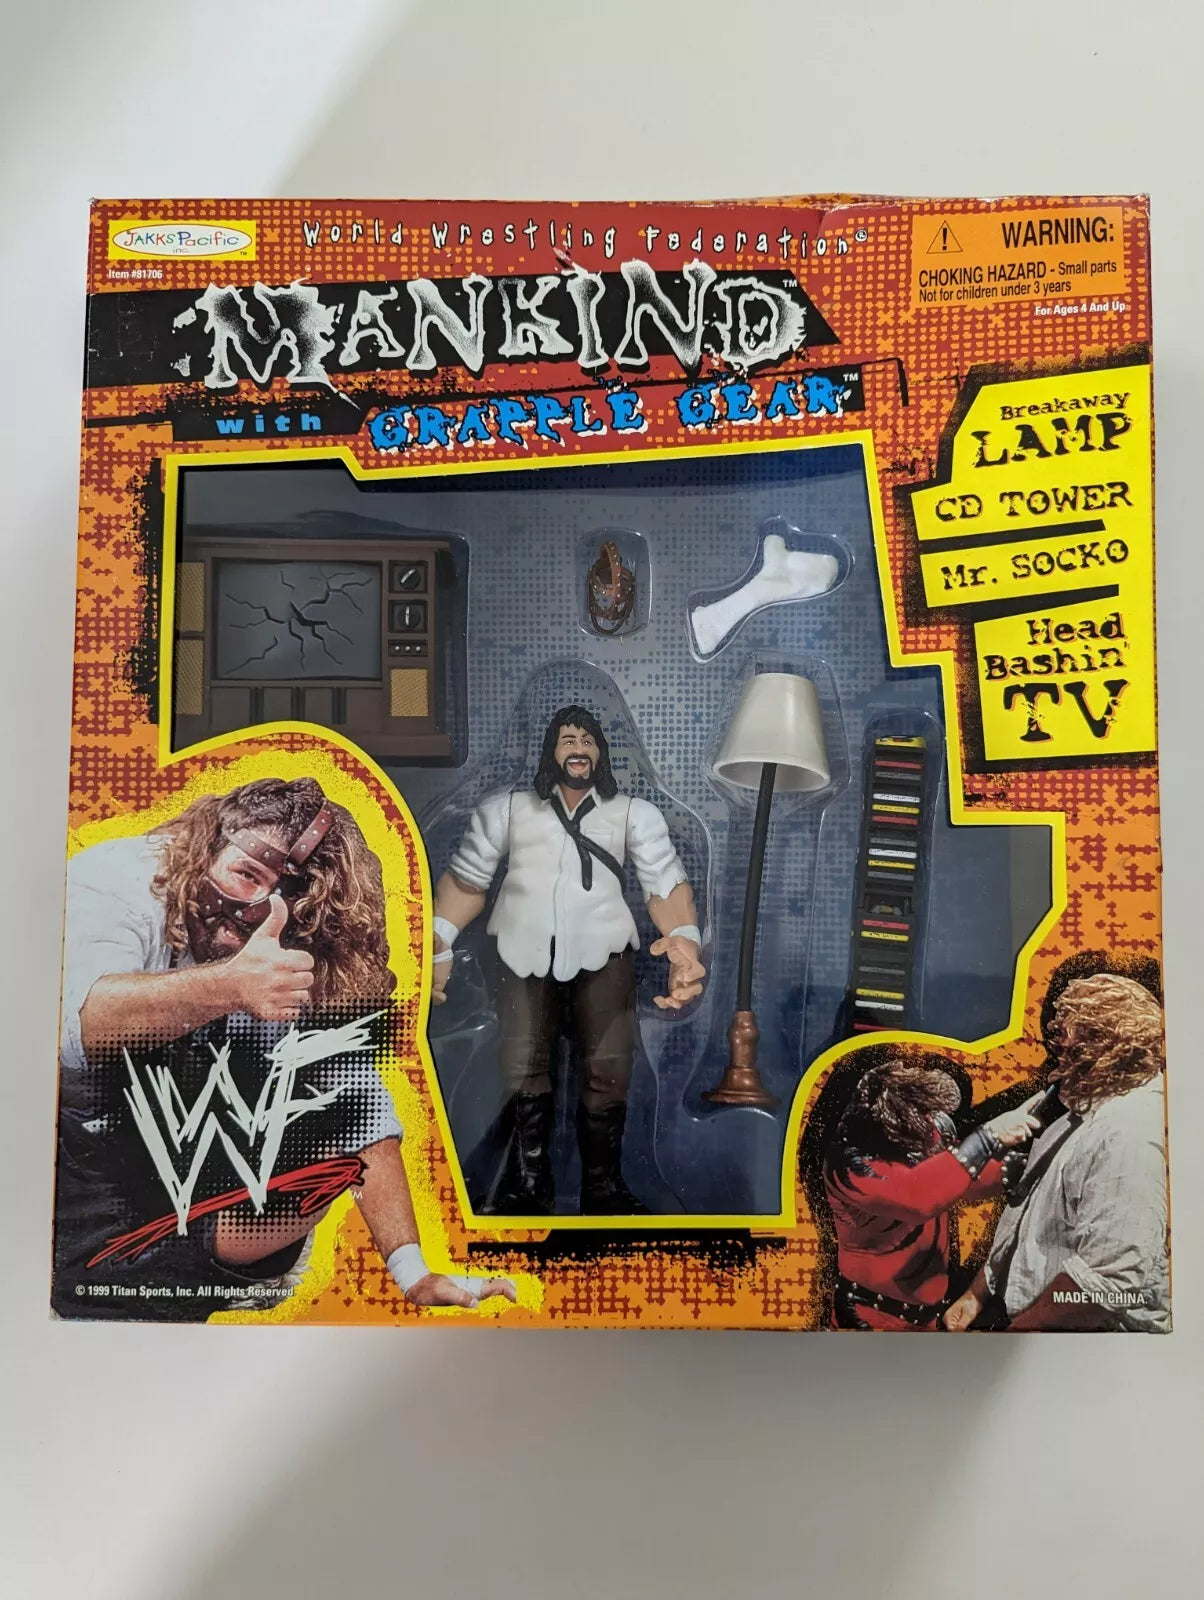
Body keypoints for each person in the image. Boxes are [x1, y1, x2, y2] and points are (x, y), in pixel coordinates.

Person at [55, 775, 513, 1316]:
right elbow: (70, 1031)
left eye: (283, 898)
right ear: (207, 847)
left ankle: (198, 1265)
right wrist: (229, 986)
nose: (254, 909)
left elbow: (354, 1099)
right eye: (246, 874)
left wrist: (412, 1271)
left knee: (316, 1128)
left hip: (175, 1192)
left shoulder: (289, 945)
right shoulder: (117, 883)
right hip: (62, 1155)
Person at [431, 704, 706, 1214]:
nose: (578, 750)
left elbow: (664, 883)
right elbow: (467, 880)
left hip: (605, 954)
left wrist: (684, 944)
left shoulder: (633, 814)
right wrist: (438, 941)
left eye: (587, 741)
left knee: (609, 1068)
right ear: (550, 752)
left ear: (600, 752)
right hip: (520, 953)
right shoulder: (506, 811)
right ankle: (528, 1184)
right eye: (567, 740)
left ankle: (603, 1187)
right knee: (522, 1066)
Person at [944, 971, 1169, 1332]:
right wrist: (975, 1296)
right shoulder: (1077, 1119)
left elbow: (1104, 1285)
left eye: (1067, 1034)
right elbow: (1026, 1216)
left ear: (1105, 1041)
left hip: (1096, 1345)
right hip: (1046, 1329)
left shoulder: (1129, 1132)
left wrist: (1016, 1339)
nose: (1056, 1047)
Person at [823, 1058, 1043, 1330]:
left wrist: (1030, 1164)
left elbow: (962, 1180)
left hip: (927, 1321)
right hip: (869, 1319)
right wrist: (989, 1136)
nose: (935, 1126)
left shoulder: (917, 1140)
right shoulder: (848, 1166)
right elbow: (917, 1197)